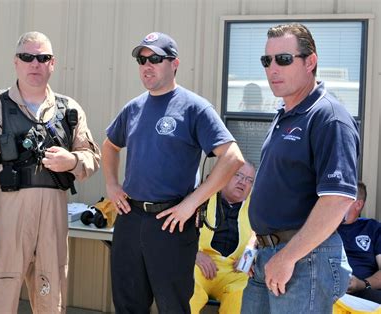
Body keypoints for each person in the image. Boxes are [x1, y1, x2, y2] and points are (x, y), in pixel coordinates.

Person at [0, 31, 100, 313]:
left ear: (52, 64)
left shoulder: (69, 110)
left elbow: (91, 156)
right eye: (27, 57)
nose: (35, 63)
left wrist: (71, 161)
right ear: (16, 62)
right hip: (3, 222)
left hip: (52, 222)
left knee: (50, 299)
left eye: (43, 57)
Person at [102, 31, 244, 313]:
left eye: (155, 58)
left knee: (173, 307)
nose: (147, 65)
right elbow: (109, 146)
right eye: (141, 60)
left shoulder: (194, 108)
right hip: (130, 219)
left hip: (171, 223)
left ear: (174, 63)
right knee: (128, 304)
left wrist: (191, 204)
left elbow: (232, 158)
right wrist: (112, 186)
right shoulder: (133, 108)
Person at [242, 23, 360, 313]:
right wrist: (259, 245)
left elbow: (338, 199)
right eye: (266, 60)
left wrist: (287, 257)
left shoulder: (328, 117)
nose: (272, 68)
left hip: (304, 260)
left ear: (311, 62)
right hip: (269, 254)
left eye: (283, 59)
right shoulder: (285, 114)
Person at [190, 161, 256, 313]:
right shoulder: (204, 196)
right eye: (238, 175)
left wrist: (249, 257)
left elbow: (260, 235)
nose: (243, 182)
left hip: (235, 270)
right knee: (188, 291)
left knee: (242, 295)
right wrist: (194, 254)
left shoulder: (255, 206)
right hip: (200, 264)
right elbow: (181, 231)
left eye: (249, 180)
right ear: (226, 176)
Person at [338, 181, 381, 303]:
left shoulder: (373, 228)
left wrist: (362, 284)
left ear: (358, 205)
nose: (335, 202)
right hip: (327, 289)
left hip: (363, 292)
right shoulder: (324, 228)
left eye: (343, 198)